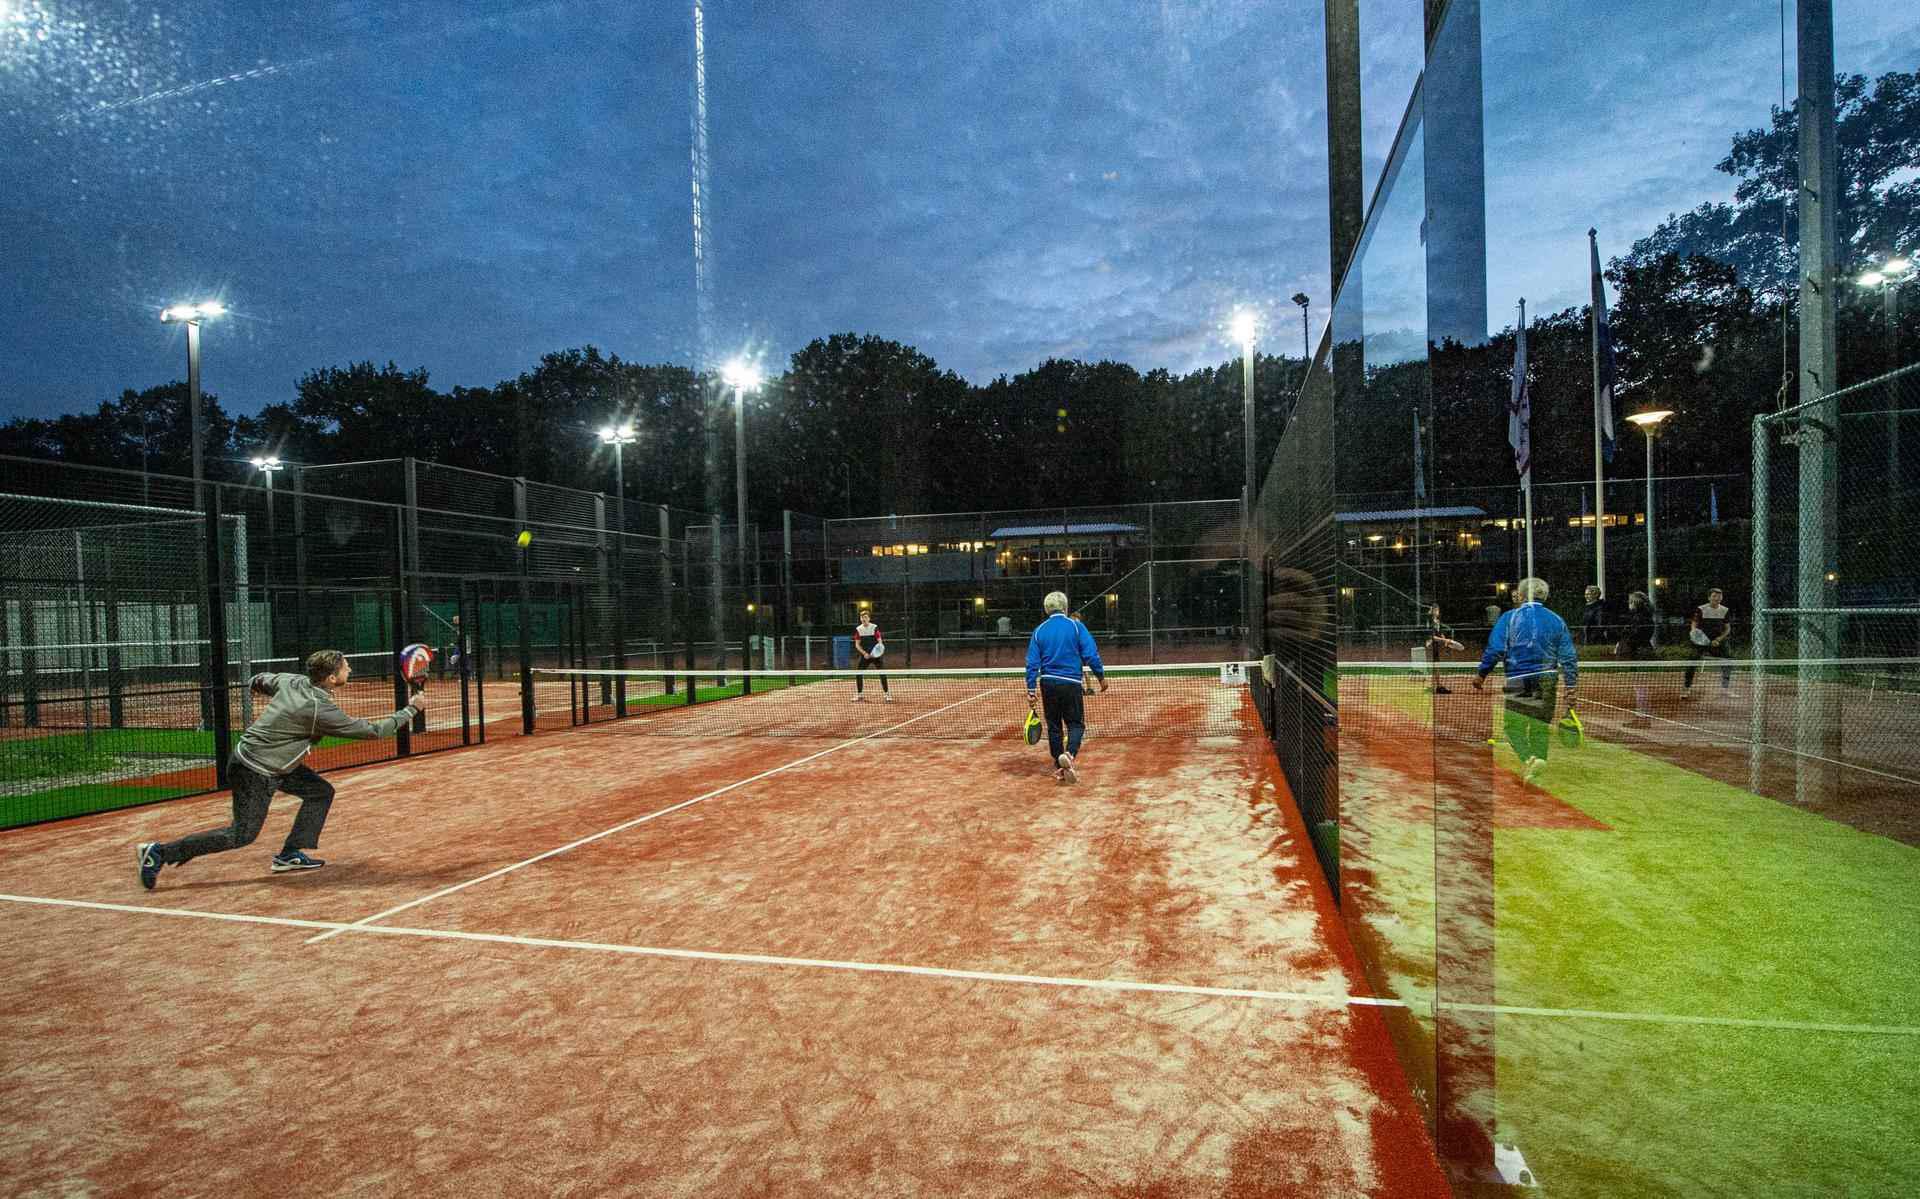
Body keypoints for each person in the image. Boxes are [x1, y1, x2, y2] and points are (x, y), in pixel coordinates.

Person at [138, 650, 425, 889]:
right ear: (331, 678)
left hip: (267, 762)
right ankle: (160, 853)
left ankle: (290, 854)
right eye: (345, 667)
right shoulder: (317, 709)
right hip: (256, 769)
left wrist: (257, 685)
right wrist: (411, 710)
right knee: (242, 835)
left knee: (320, 792)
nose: (350, 668)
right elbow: (373, 731)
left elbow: (260, 679)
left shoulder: (292, 681)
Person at [1471, 577, 1577, 785]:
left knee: (1513, 728)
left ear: (1521, 595)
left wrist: (1482, 674)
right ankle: (1538, 766)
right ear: (1544, 596)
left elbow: (1496, 649)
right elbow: (1568, 656)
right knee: (1539, 727)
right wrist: (1571, 685)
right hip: (1548, 679)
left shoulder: (1510, 618)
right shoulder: (1556, 620)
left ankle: (1530, 759)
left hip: (1518, 679)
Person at [1025, 591, 1108, 784]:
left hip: (1048, 683)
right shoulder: (1076, 626)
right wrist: (1101, 677)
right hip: (1070, 683)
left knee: (1054, 726)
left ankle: (1059, 765)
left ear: (1046, 609)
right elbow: (1091, 654)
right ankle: (1069, 755)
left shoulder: (1039, 630)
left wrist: (1031, 690)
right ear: (1065, 607)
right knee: (1076, 724)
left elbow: (1032, 663)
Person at [1614, 590, 1656, 727]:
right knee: (1640, 687)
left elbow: (1635, 637)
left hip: (1639, 655)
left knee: (1641, 688)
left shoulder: (1640, 619)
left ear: (1636, 603)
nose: (1629, 603)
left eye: (1631, 601)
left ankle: (1643, 719)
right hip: (1639, 653)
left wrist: (1623, 643)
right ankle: (1642, 717)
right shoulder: (1641, 618)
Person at [1683, 587, 1735, 696]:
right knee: (1692, 662)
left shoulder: (1725, 610)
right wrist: (1695, 634)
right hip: (1701, 641)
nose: (1717, 598)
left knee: (1728, 660)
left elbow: (1727, 629)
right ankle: (1686, 688)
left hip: (1717, 641)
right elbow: (1694, 624)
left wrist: (1719, 639)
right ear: (1709, 597)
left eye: (1719, 596)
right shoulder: (1701, 609)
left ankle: (1725, 689)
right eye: (1714, 596)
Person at [1424, 604, 1464, 694]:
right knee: (1433, 667)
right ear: (1433, 610)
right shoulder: (1429, 621)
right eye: (1436, 610)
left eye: (1438, 610)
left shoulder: (1437, 621)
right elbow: (1432, 637)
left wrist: (1445, 641)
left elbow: (1440, 633)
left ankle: (1438, 686)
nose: (1438, 612)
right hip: (1429, 647)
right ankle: (1434, 686)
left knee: (1436, 666)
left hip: (1435, 647)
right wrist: (1445, 640)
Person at [852, 607, 890, 702]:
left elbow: (879, 641)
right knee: (858, 673)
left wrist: (877, 652)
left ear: (869, 618)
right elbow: (857, 644)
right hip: (865, 656)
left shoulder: (874, 627)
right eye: (862, 617)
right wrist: (864, 653)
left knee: (882, 674)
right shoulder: (858, 629)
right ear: (860, 619)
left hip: (876, 656)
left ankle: (887, 694)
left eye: (865, 617)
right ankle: (860, 695)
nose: (863, 619)